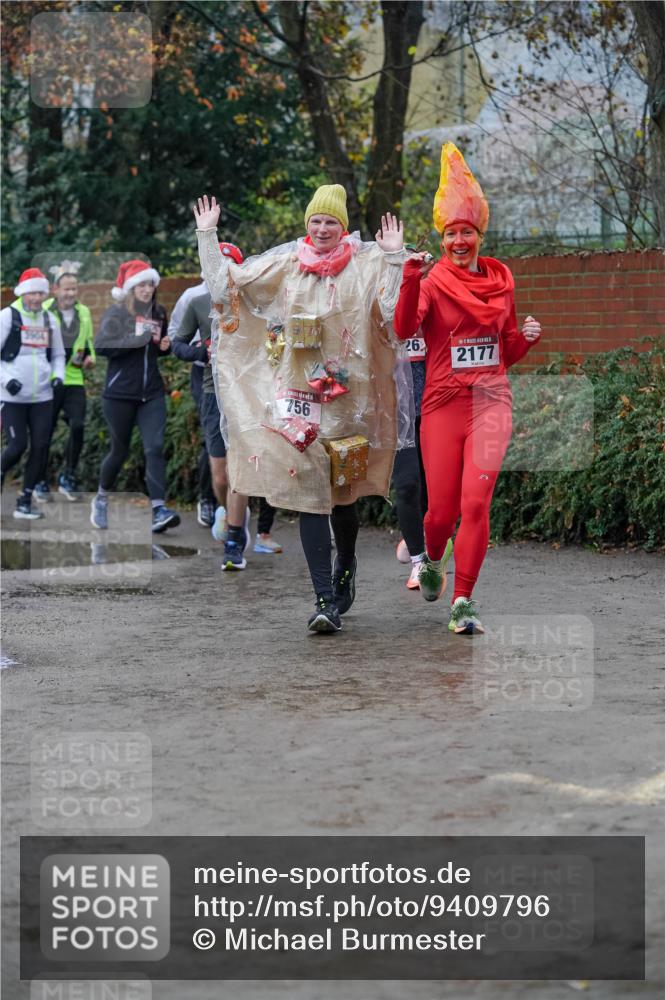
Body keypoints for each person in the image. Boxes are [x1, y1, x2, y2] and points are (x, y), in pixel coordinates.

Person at [193, 185, 405, 630]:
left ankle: (346, 563)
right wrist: (207, 236)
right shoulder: (287, 263)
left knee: (343, 499)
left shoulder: (365, 262)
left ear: (343, 226)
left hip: (348, 402)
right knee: (311, 499)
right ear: (306, 225)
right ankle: (324, 599)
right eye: (316, 221)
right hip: (297, 400)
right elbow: (224, 288)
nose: (323, 228)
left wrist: (394, 258)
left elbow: (391, 311)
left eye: (331, 221)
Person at [394, 143, 542, 634]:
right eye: (453, 232)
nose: (461, 240)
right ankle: (433, 556)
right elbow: (401, 329)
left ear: (480, 235)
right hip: (442, 404)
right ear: (443, 238)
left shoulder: (502, 280)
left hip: (492, 401)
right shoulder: (432, 282)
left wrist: (526, 339)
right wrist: (410, 279)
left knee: (476, 504)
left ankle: (463, 601)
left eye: (468, 232)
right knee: (441, 514)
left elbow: (506, 350)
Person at [90, 259, 180, 533]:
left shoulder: (158, 312)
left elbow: (156, 348)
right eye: (141, 284)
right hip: (119, 394)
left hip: (151, 393)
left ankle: (158, 509)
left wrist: (164, 346)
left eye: (150, 284)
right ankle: (101, 498)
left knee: (154, 448)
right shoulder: (117, 315)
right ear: (131, 288)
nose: (147, 289)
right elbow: (102, 346)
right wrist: (135, 338)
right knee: (119, 451)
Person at [1, 268, 65, 518]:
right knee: (17, 446)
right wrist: (7, 381)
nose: (37, 298)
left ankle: (25, 500)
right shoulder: (8, 317)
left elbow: (59, 354)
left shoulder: (50, 320)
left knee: (41, 447)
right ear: (23, 294)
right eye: (32, 294)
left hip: (42, 397)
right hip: (12, 397)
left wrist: (58, 375)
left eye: (41, 293)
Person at [33, 260, 96, 502]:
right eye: (66, 289)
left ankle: (68, 476)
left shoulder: (84, 312)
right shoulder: (44, 310)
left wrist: (90, 358)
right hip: (47, 380)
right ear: (55, 289)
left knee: (78, 425)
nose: (70, 293)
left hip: (74, 378)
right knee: (44, 432)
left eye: (74, 289)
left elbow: (88, 343)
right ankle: (39, 480)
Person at [167, 273, 216, 527]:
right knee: (212, 438)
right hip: (204, 373)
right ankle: (206, 499)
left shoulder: (244, 296)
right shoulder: (192, 297)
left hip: (238, 376)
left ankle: (233, 499)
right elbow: (175, 338)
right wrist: (201, 353)